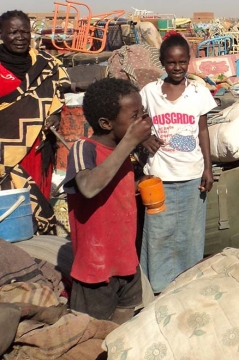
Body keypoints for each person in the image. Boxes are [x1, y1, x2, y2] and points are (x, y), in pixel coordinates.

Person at [63, 78, 153, 323]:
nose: (142, 120)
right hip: (96, 270)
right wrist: (130, 142)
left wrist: (138, 185)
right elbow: (89, 187)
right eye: (135, 116)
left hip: (126, 262)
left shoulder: (122, 151)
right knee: (92, 337)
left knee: (121, 332)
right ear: (106, 123)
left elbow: (112, 190)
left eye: (142, 113)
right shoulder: (84, 149)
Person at [140, 32, 216, 293]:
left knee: (189, 234)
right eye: (171, 63)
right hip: (159, 177)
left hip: (192, 175)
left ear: (189, 61)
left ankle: (188, 286)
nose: (177, 68)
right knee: (159, 234)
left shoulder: (198, 93)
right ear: (162, 63)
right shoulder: (150, 93)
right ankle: (158, 288)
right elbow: (133, 119)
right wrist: (145, 138)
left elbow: (203, 131)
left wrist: (208, 167)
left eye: (182, 62)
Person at [0, 10, 70, 235]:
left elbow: (60, 93)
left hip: (37, 151)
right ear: (1, 34)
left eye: (25, 31)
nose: (20, 37)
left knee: (37, 204)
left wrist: (55, 116)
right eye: (13, 32)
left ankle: (40, 254)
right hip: (3, 155)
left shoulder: (46, 63)